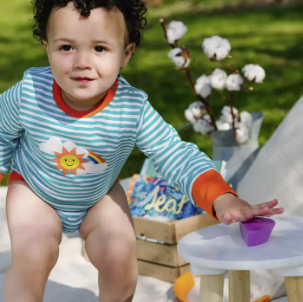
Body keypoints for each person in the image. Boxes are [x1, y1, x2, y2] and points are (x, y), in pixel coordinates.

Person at [0, 1, 283, 301]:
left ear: (126, 53)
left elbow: (174, 154)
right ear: (47, 48)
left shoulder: (132, 109)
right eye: (66, 47)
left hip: (98, 195)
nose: (82, 61)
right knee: (35, 254)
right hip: (35, 190)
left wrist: (223, 198)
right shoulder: (30, 92)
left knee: (121, 260)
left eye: (99, 48)